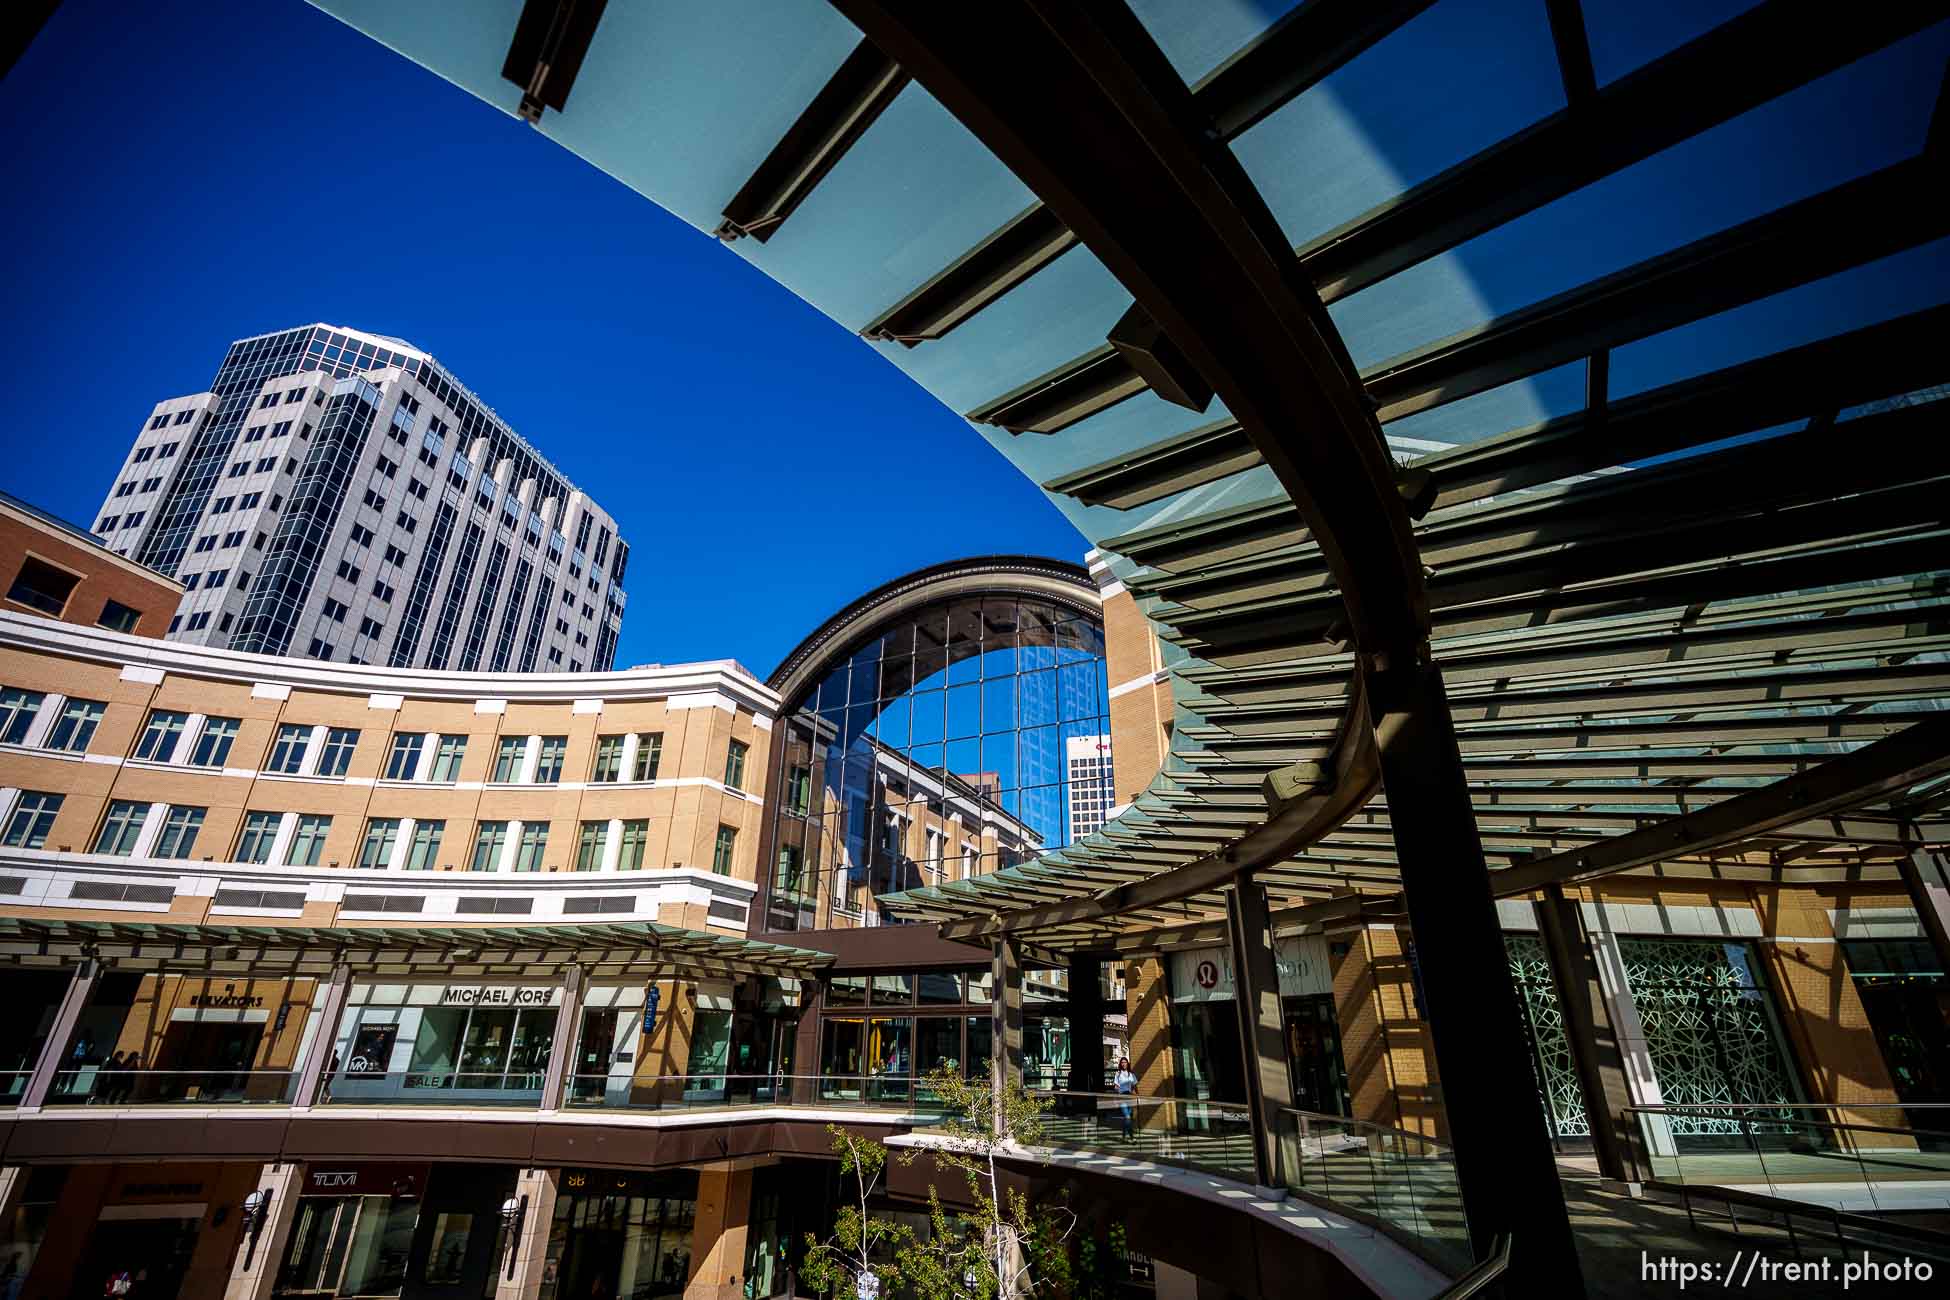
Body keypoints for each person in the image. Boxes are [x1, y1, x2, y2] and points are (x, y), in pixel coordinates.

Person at [1113, 1056, 1137, 1140]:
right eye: (1122, 1062)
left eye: (1125, 1062)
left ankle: (1123, 1136)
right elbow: (1116, 1086)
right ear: (1120, 1064)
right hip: (1122, 1097)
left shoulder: (1131, 1074)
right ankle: (1132, 1137)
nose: (1124, 1064)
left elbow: (1134, 1086)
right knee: (1127, 1117)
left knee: (1127, 1119)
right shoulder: (1118, 1074)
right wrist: (1117, 1090)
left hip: (1130, 1097)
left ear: (1127, 1064)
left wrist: (1136, 1096)